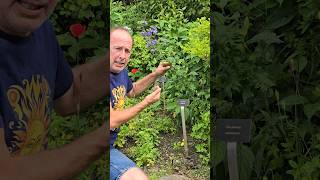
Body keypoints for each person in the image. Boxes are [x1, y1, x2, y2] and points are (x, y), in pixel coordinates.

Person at [0, 0, 108, 179]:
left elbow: (70, 94)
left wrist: (121, 57)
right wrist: (106, 135)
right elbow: (7, 173)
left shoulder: (37, 28)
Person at [109, 27, 170, 180]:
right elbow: (111, 120)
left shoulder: (120, 72)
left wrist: (155, 74)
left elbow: (133, 90)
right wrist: (146, 102)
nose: (122, 56)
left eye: (127, 51)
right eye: (117, 49)